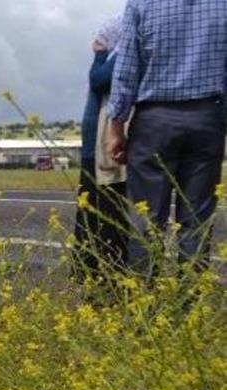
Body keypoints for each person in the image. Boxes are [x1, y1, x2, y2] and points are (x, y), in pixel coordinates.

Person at [107, 0, 227, 277]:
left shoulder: (141, 3)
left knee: (146, 216)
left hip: (154, 120)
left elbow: (126, 67)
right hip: (207, 117)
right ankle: (188, 304)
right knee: (196, 219)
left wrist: (116, 126)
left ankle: (144, 300)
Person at [72, 15, 129, 281]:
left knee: (104, 207)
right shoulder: (117, 55)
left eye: (102, 37)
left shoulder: (120, 53)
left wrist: (99, 54)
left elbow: (99, 80)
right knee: (93, 207)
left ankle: (104, 269)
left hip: (103, 142)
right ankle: (93, 268)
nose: (96, 42)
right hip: (95, 142)